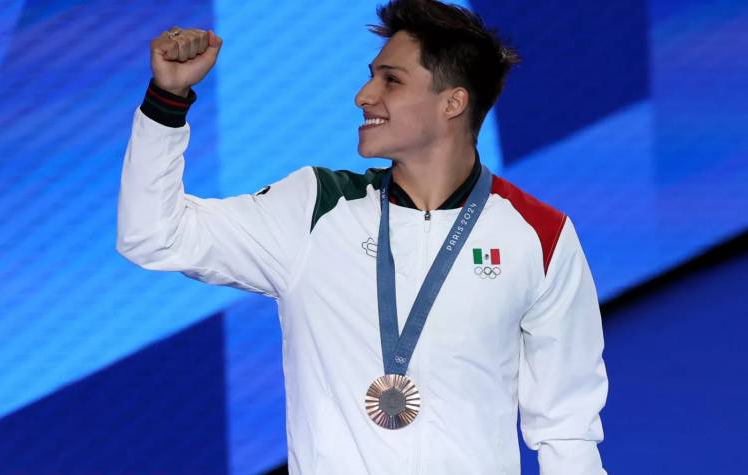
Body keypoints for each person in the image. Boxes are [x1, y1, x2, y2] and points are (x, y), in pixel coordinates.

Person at [116, 0, 608, 473]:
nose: (364, 95)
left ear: (453, 103)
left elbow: (567, 427)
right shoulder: (313, 208)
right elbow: (153, 235)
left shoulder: (539, 234)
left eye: (391, 80)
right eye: (372, 75)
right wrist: (167, 102)